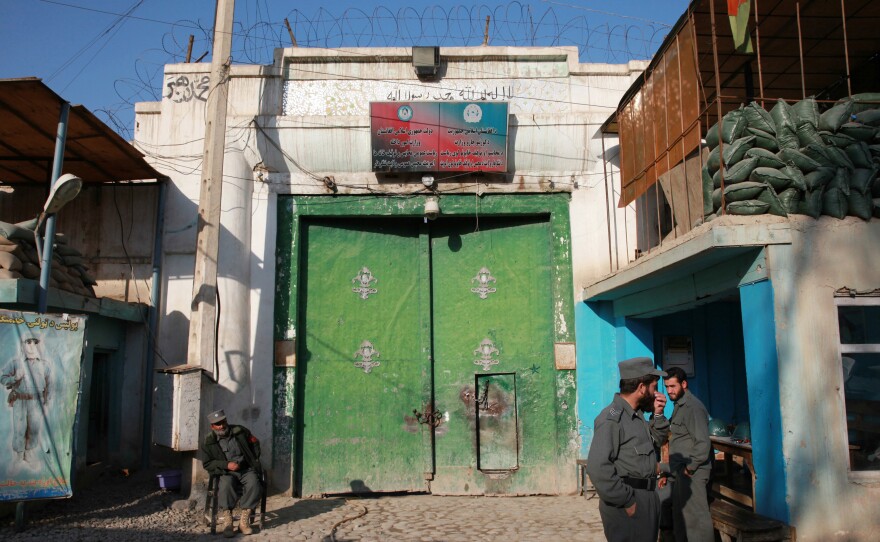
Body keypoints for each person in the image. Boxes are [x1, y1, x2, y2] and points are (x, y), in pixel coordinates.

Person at [586, 357, 669, 542]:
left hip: (646, 497)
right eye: (654, 387)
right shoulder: (612, 419)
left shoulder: (637, 416)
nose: (656, 393)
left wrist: (658, 414)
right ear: (641, 387)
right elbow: (598, 467)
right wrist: (627, 500)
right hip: (629, 502)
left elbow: (658, 440)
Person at [664, 366, 713, 542]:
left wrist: (690, 468)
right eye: (667, 387)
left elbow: (702, 443)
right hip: (681, 472)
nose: (669, 391)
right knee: (681, 519)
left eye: (673, 386)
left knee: (697, 523)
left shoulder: (693, 407)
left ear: (684, 384)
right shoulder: (679, 405)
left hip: (693, 473)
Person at [201, 409, 262, 537]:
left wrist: (252, 459)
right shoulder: (209, 441)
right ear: (212, 426)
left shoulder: (240, 431)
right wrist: (226, 465)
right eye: (218, 424)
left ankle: (243, 522)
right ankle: (228, 521)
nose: (221, 426)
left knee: (254, 484)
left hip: (245, 469)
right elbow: (207, 464)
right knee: (226, 486)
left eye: (223, 422)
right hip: (227, 472)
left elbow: (255, 443)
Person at [1, 337, 50, 462]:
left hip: (36, 401)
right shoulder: (16, 363)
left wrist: (46, 400)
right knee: (19, 428)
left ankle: (28, 453)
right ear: (22, 345)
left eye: (35, 343)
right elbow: (3, 378)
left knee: (34, 429)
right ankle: (19, 455)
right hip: (20, 400)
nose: (32, 346)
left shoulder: (44, 364)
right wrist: (14, 378)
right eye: (28, 342)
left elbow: (50, 384)